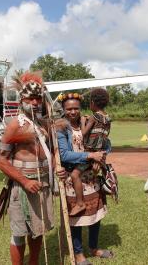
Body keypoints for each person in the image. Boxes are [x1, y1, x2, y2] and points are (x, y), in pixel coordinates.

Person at [0, 72, 58, 265]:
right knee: (19, 233)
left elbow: (51, 153)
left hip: (42, 184)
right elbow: (1, 160)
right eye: (30, 98)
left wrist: (56, 170)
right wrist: (25, 181)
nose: (35, 102)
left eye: (38, 98)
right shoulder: (15, 125)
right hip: (23, 187)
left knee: (37, 230)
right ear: (21, 99)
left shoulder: (43, 124)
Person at [56, 94, 114, 264]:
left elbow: (106, 142)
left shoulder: (89, 121)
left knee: (95, 216)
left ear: (80, 108)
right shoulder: (61, 128)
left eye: (75, 108)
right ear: (64, 110)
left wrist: (101, 157)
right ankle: (79, 254)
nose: (73, 112)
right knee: (77, 219)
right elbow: (65, 155)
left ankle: (94, 248)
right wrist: (90, 156)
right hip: (73, 180)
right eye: (69, 109)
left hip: (91, 177)